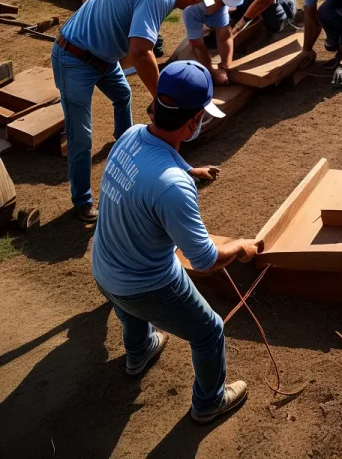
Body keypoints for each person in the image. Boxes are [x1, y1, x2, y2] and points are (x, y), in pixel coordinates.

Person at [92, 60, 258, 424]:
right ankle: (209, 401)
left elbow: (154, 166)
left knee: (130, 308)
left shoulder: (132, 135)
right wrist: (242, 247)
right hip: (145, 284)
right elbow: (205, 260)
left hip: (104, 268)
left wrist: (189, 170)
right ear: (194, 121)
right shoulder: (172, 187)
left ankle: (139, 353)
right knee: (210, 331)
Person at [52, 0, 214, 222]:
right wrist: (161, 99)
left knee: (123, 95)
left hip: (102, 57)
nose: (198, 3)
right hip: (75, 56)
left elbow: (135, 47)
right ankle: (82, 201)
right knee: (80, 135)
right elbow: (140, 52)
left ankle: (125, 145)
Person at [183, 0, 247, 85]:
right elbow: (197, 45)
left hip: (206, 23)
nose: (223, 6)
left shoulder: (220, 5)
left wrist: (225, 66)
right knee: (189, 66)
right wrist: (212, 72)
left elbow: (224, 38)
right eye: (223, 2)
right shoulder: (193, 9)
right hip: (195, 23)